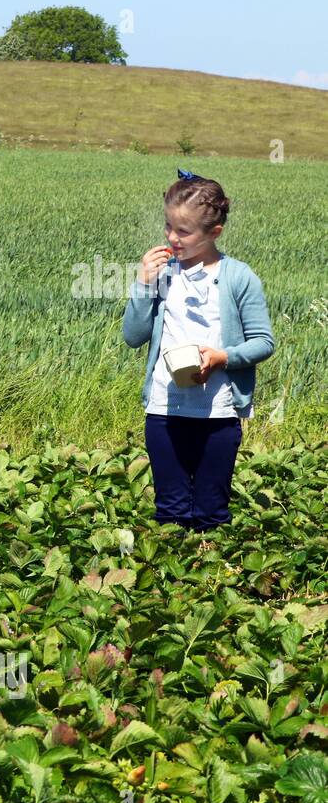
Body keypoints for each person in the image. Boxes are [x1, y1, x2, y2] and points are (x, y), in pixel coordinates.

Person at [122, 170, 275, 532]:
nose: (171, 237)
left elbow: (263, 341)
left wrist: (223, 358)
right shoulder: (163, 274)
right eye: (168, 226)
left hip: (218, 414)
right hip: (164, 410)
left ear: (214, 232)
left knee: (211, 512)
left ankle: (210, 562)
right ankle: (170, 566)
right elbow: (133, 336)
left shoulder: (239, 277)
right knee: (170, 511)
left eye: (184, 231)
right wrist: (143, 284)